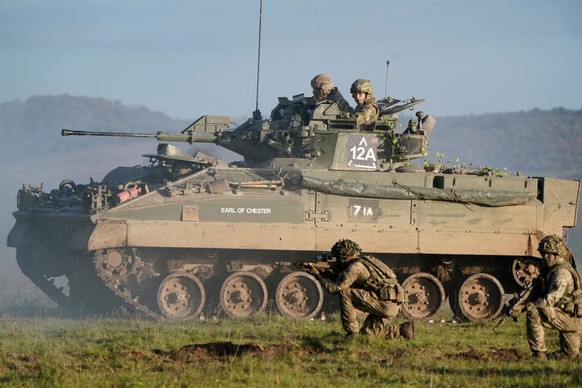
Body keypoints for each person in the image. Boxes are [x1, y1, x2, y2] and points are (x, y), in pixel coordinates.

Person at [304, 239, 414, 340]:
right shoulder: (365, 262)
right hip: (392, 303)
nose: (336, 261)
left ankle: (352, 333)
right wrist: (325, 274)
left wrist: (318, 275)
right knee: (367, 335)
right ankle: (402, 330)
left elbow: (335, 289)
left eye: (337, 258)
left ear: (345, 257)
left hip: (385, 303)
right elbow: (344, 281)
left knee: (345, 293)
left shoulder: (355, 268)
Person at [526, 234, 582, 360]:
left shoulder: (561, 273)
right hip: (566, 315)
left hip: (569, 316)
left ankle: (539, 355)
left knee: (534, 312)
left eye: (548, 254)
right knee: (569, 355)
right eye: (543, 254)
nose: (544, 257)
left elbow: (550, 299)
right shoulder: (552, 270)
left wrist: (530, 305)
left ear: (557, 254)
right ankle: (541, 355)